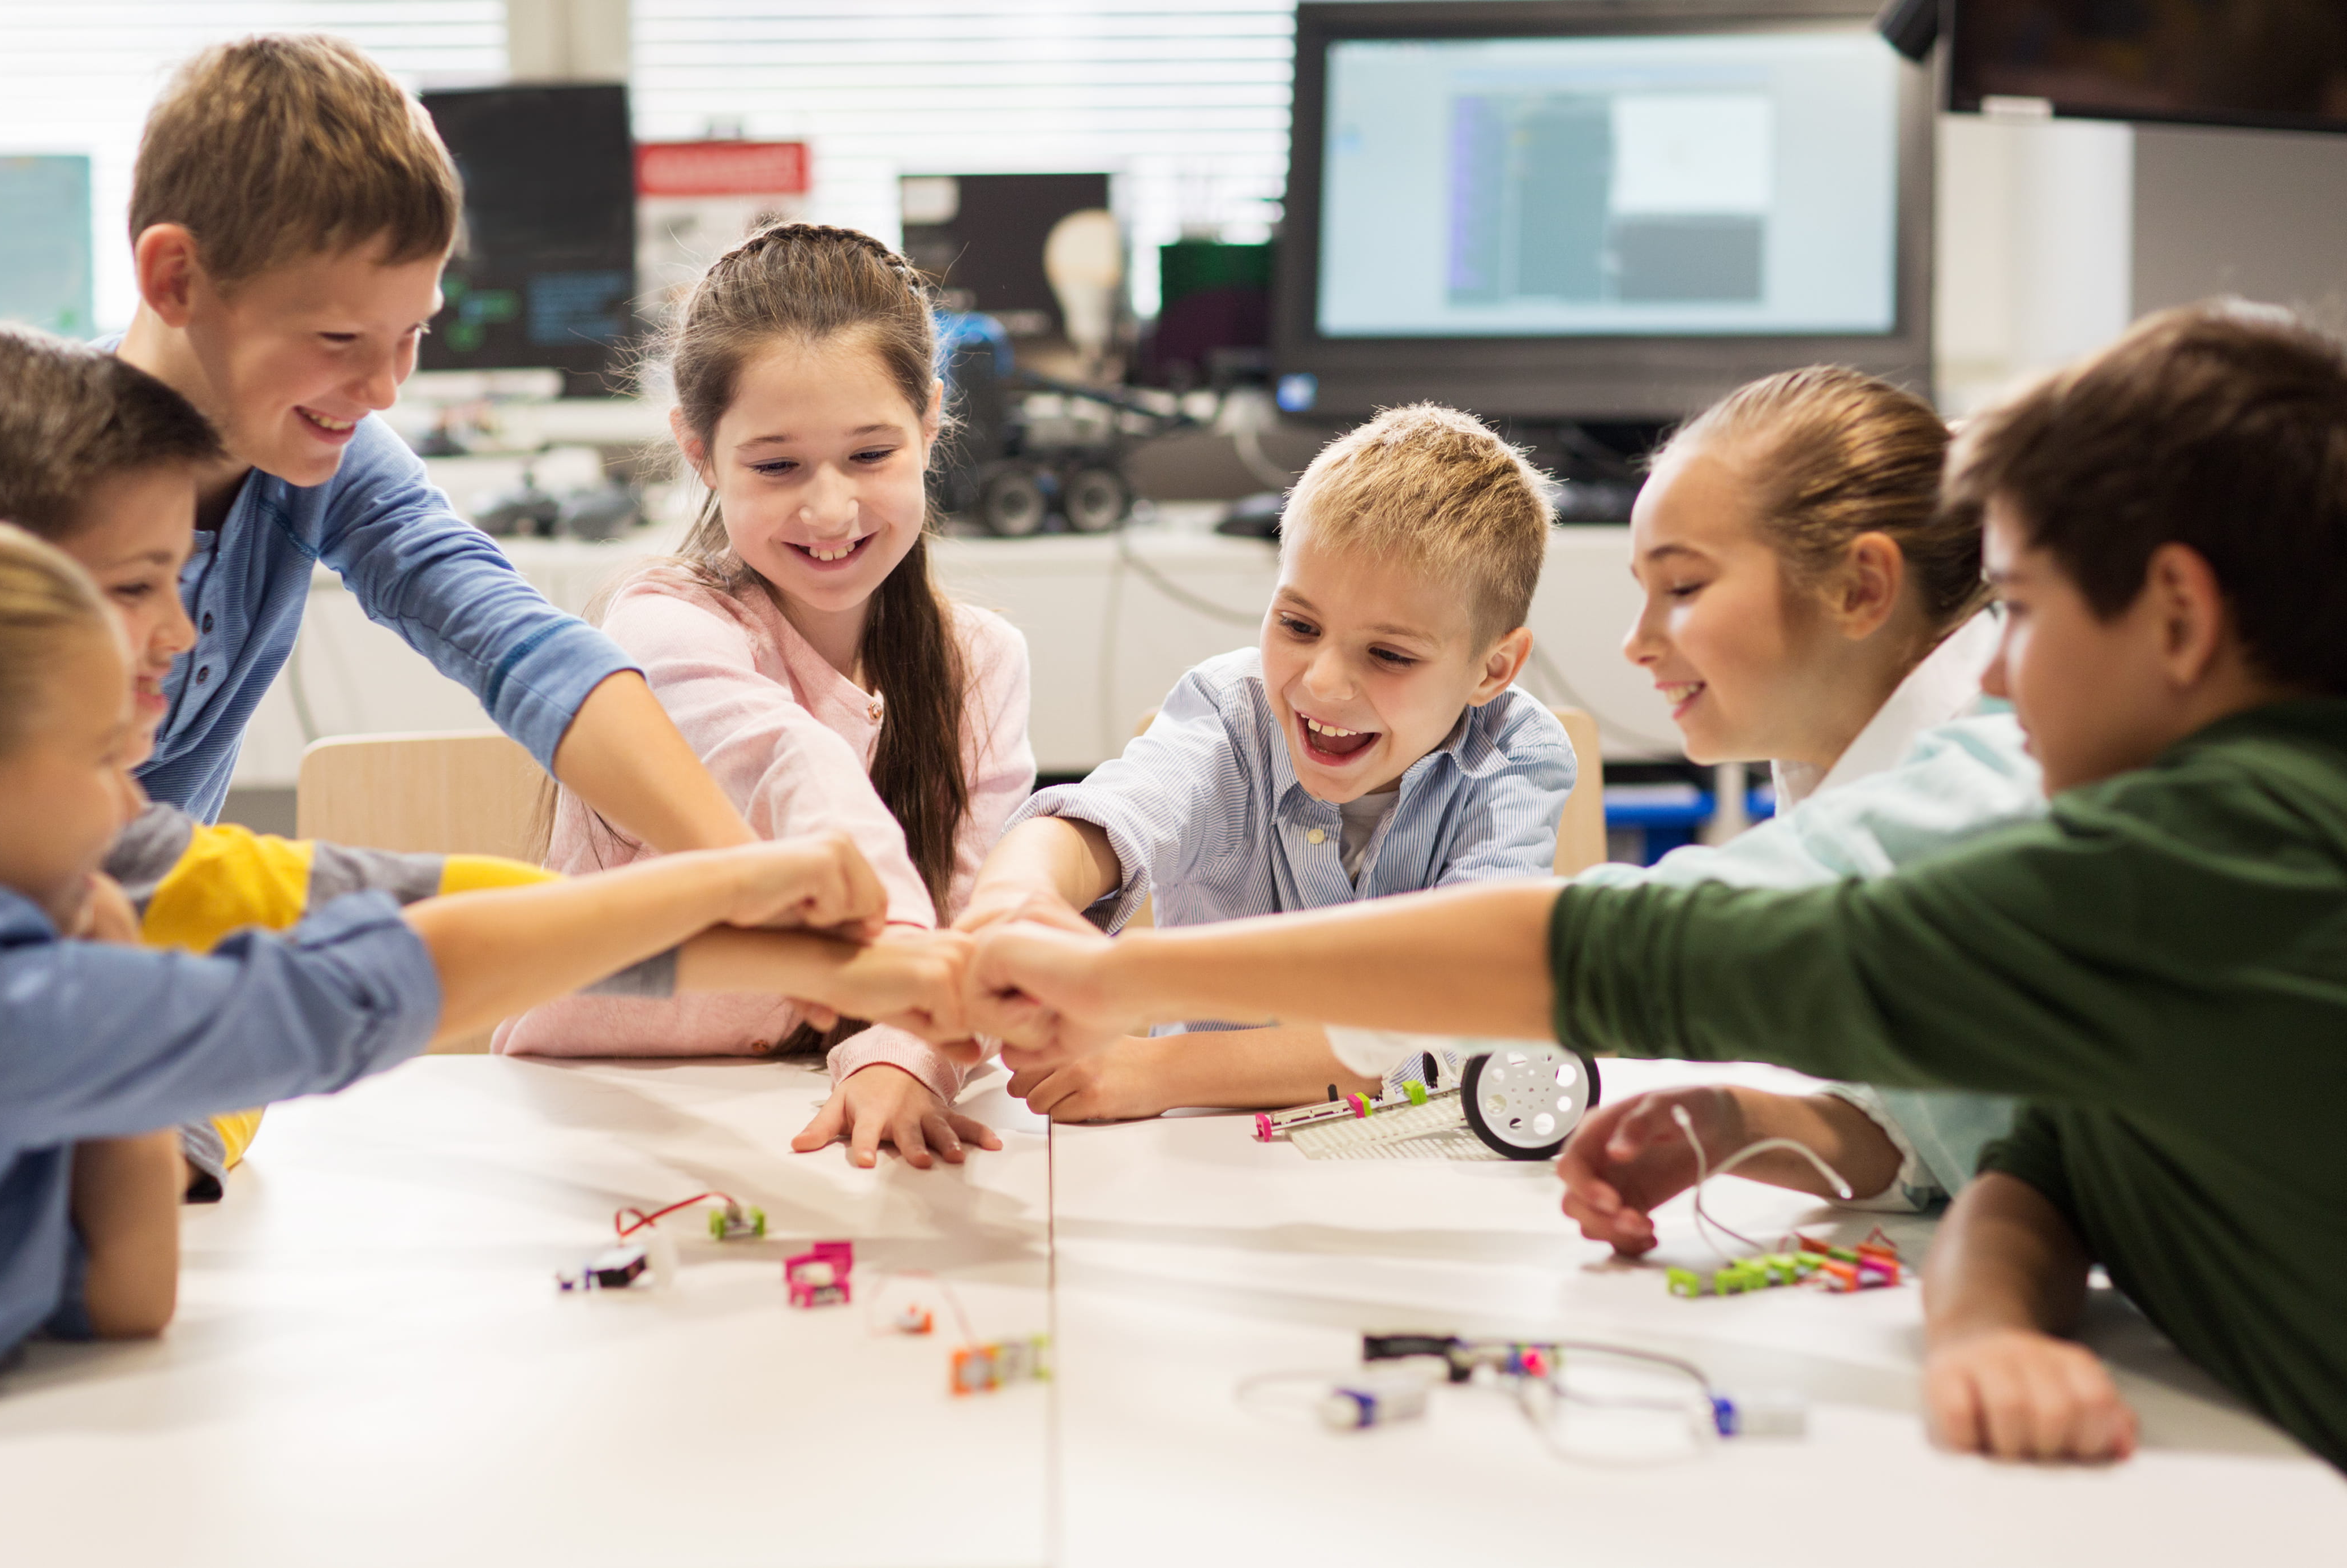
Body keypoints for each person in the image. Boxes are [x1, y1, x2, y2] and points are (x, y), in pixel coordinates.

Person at [962, 303, 2347, 1470]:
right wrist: (1791, 1142)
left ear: (2175, 613)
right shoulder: (2177, 850)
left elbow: (1617, 946)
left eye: (2027, 609)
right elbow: (2041, 1140)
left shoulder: (2139, 839)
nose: (1991, 669)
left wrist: (1112, 978)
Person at [0, 512, 966, 1403]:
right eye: (98, 763)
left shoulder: (41, 944)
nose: (134, 800)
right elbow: (381, 975)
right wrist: (731, 880)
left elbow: (126, 1301)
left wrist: (120, 1017)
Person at [0, 321, 904, 1191]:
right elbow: (379, 970)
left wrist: (780, 926)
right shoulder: (11, 955)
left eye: (409, 333)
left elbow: (423, 915)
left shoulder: (115, 864)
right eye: (130, 587)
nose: (184, 630)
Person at [108, 34, 789, 875]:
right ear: (176, 279)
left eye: (412, 333)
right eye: (337, 337)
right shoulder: (2, 469)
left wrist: (744, 868)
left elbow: (521, 645)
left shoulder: (323, 447)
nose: (383, 390)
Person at [496, 223, 1032, 1172]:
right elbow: (789, 765)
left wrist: (902, 1057)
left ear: (932, 424)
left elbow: (974, 908)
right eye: (777, 466)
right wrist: (903, 955)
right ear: (700, 453)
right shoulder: (659, 623)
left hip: (810, 1122)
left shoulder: (979, 661)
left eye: (870, 455)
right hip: (593, 1119)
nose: (830, 510)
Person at [956, 403, 1575, 1121]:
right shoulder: (1230, 713)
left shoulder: (1515, 756)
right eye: (1298, 625)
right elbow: (1109, 818)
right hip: (1201, 1163)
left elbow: (1458, 1022)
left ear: (1492, 669)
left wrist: (1155, 1070)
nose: (1321, 683)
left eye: (1389, 654)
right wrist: (1014, 899)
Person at [1554, 366, 2041, 1239]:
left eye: (1684, 587)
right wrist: (1744, 1125)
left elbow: (1610, 939)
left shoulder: (1981, 783)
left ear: (1859, 589)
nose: (1637, 642)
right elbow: (1951, 1124)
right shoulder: (1834, 759)